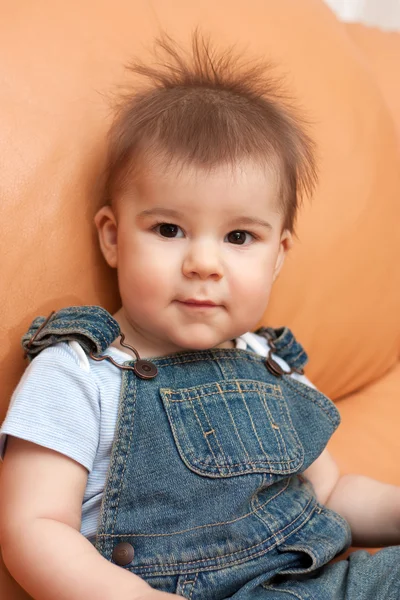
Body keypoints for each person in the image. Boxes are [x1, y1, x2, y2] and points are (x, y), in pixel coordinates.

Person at [0, 31, 399, 600]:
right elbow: (32, 529)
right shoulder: (81, 372)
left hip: (323, 583)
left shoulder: (268, 360)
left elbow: (331, 493)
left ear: (278, 255)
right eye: (169, 229)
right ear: (113, 238)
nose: (204, 263)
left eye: (239, 236)